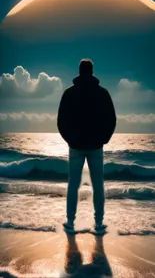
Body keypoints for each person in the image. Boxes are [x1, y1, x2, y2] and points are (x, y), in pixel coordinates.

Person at [57, 59, 116, 234]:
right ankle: (98, 223)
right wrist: (104, 139)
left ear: (80, 71)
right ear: (92, 71)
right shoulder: (102, 93)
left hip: (76, 146)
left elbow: (61, 121)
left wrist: (70, 140)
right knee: (98, 185)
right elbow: (111, 119)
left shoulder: (69, 93)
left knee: (73, 184)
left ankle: (70, 221)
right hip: (96, 145)